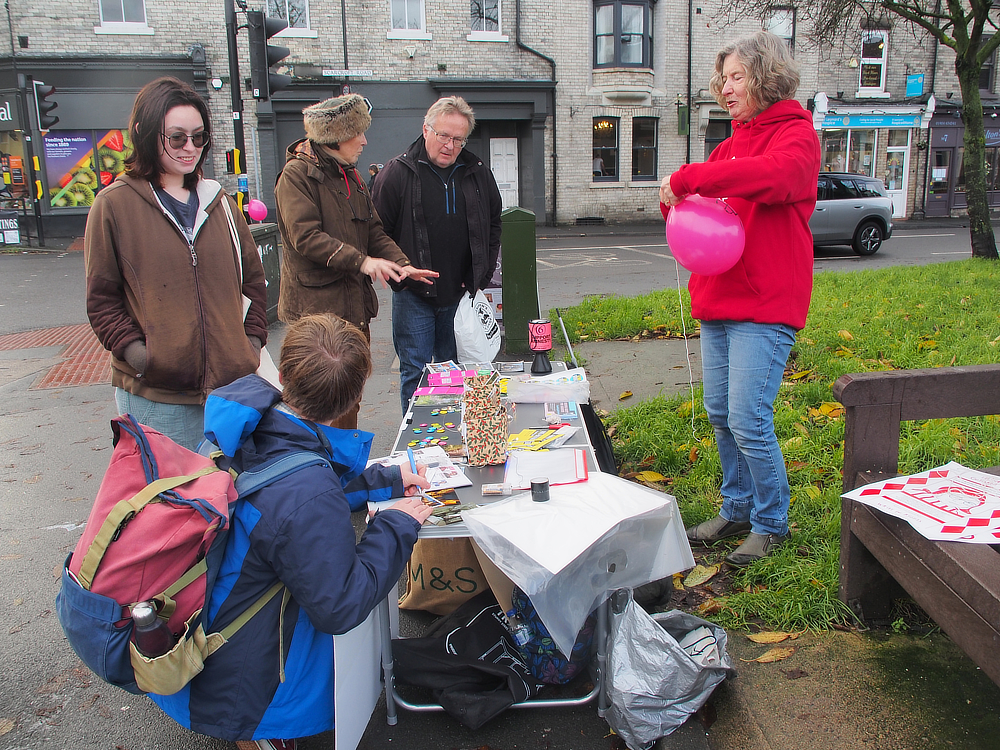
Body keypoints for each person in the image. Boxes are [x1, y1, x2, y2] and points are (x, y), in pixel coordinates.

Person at [149, 313, 433, 750]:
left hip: (197, 621)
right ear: (353, 399)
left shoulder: (248, 421)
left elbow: (290, 483)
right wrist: (397, 524)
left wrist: (386, 480)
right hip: (242, 681)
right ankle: (264, 734)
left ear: (282, 376)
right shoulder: (307, 492)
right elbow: (340, 604)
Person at [659, 31, 820, 566]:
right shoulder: (728, 145)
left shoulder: (796, 135)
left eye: (737, 77)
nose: (725, 88)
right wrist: (675, 201)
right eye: (722, 78)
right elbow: (701, 216)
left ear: (765, 77)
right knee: (721, 414)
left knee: (748, 416)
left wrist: (693, 177)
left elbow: (775, 178)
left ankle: (771, 523)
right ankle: (737, 507)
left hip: (766, 301)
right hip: (718, 298)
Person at [85, 77, 268, 451]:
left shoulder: (220, 203)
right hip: (158, 398)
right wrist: (143, 358)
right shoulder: (114, 205)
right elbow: (103, 300)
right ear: (145, 133)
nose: (190, 148)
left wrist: (249, 346)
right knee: (173, 489)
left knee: (232, 486)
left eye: (199, 138)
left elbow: (253, 282)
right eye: (177, 138)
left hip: (230, 393)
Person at [274, 93, 437, 427]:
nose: (364, 141)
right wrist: (363, 262)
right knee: (318, 404)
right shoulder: (296, 176)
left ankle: (343, 460)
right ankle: (317, 460)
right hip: (316, 318)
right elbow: (306, 237)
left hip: (352, 313)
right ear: (335, 138)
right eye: (357, 134)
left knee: (349, 401)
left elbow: (373, 230)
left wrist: (401, 264)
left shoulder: (351, 177)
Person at [372, 96, 503, 411]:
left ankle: (454, 433)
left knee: (458, 372)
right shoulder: (397, 172)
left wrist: (480, 276)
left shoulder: (477, 172)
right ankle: (417, 436)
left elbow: (494, 224)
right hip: (413, 295)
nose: (450, 145)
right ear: (425, 130)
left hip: (459, 296)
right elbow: (376, 232)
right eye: (443, 135)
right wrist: (401, 275)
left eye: (458, 139)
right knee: (415, 374)